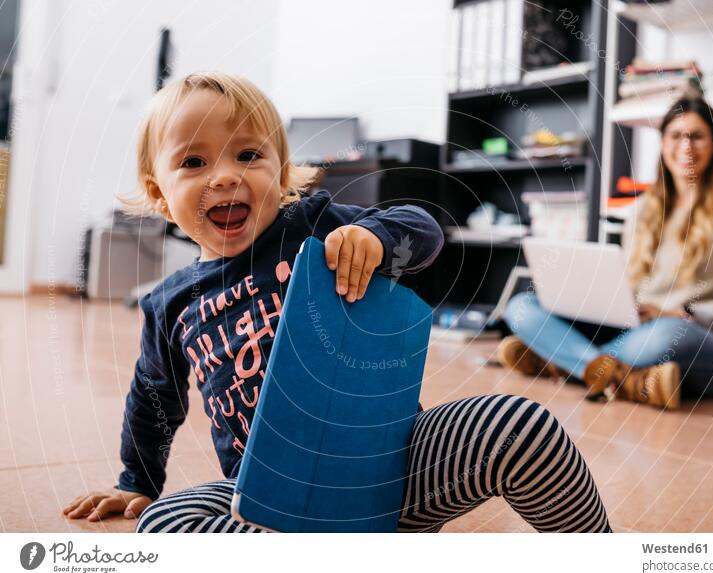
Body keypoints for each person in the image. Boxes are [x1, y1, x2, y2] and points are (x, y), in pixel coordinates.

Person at [62, 72, 611, 533]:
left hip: (392, 466)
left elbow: (423, 229)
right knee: (163, 522)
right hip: (264, 494)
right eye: (193, 163)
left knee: (520, 423)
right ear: (158, 193)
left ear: (278, 175)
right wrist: (136, 482)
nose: (225, 175)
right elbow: (154, 399)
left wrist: (374, 238)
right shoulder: (169, 303)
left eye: (248, 155)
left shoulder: (312, 225)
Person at [500, 96, 713, 410]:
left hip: (707, 344)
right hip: (636, 331)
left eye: (696, 136)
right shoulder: (642, 209)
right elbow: (627, 284)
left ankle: (562, 359)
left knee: (668, 335)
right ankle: (624, 379)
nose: (685, 146)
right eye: (675, 136)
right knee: (521, 306)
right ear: (662, 143)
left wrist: (681, 313)